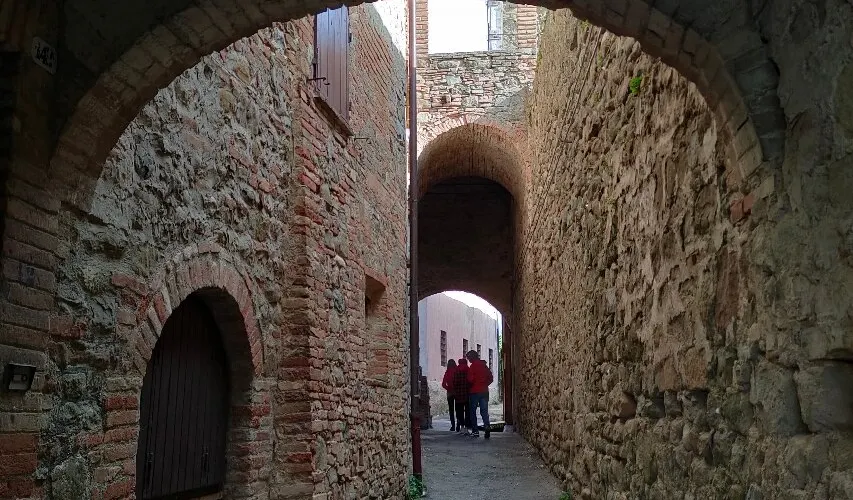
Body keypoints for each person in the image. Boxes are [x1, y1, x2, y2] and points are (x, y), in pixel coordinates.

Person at [466, 350, 493, 439]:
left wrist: (472, 384)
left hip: (474, 392)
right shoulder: (484, 366)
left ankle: (475, 431)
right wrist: (485, 384)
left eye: (469, 358)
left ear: (472, 357)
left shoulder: (472, 366)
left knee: (473, 412)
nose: (468, 360)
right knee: (484, 411)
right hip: (484, 391)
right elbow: (490, 378)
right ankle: (487, 426)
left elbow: (470, 379)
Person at [452, 358, 470, 433]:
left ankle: (461, 426)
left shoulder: (456, 370)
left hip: (458, 395)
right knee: (468, 412)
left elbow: (454, 382)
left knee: (459, 412)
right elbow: (471, 381)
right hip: (467, 394)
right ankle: (467, 428)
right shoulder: (469, 370)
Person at [441, 359, 458, 431]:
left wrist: (448, 388)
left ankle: (453, 426)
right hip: (457, 392)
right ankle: (458, 426)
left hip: (450, 393)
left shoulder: (447, 372)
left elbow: (443, 384)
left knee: (451, 410)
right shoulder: (457, 371)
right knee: (458, 409)